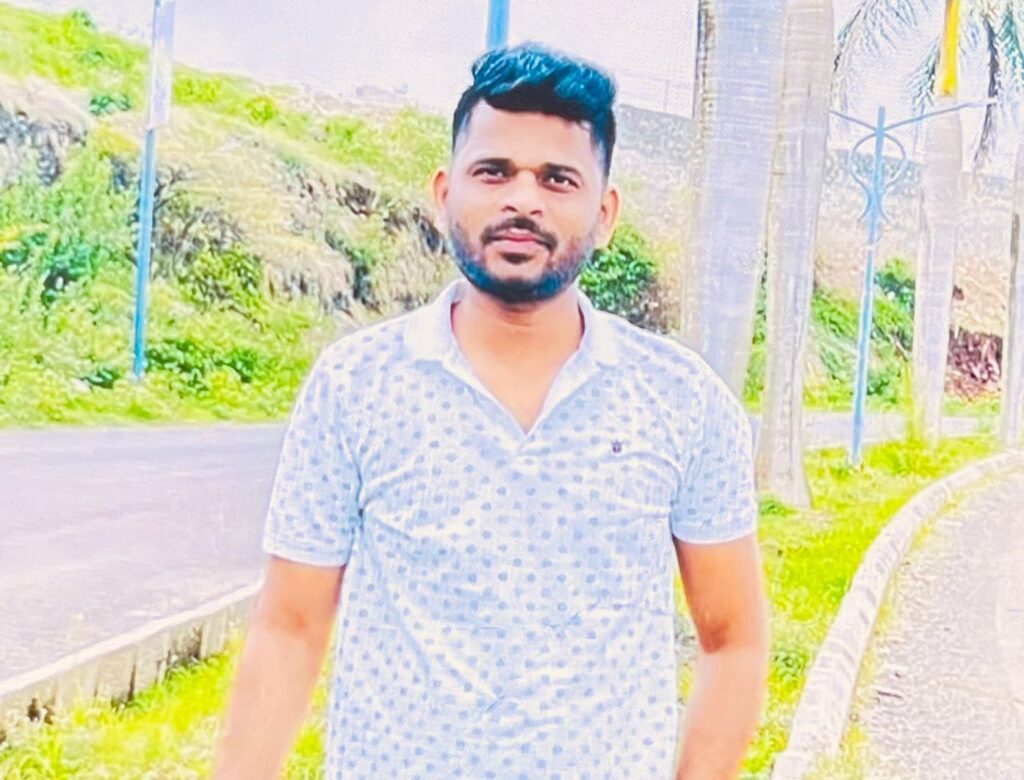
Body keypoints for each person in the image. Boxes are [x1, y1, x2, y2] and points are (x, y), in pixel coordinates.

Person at [213, 41, 769, 780]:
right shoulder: (357, 385)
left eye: (557, 178)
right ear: (444, 193)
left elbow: (733, 640)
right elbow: (290, 626)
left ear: (604, 214)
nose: (523, 201)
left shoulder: (681, 400)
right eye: (494, 171)